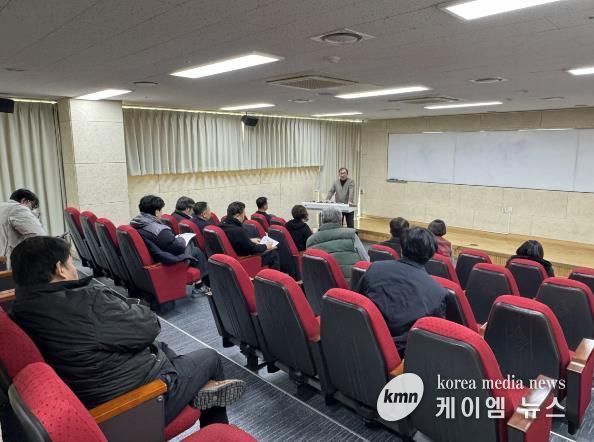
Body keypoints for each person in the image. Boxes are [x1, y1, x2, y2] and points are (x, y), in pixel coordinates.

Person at [10, 236, 245, 428]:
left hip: (94, 387)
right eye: (70, 262)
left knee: (162, 347)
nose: (73, 267)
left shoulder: (21, 308)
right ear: (60, 269)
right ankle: (215, 429)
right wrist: (132, 305)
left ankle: (200, 385)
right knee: (211, 358)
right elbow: (150, 326)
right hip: (136, 402)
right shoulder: (87, 302)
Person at [359, 227, 447, 357]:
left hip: (363, 339)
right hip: (400, 357)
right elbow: (432, 339)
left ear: (402, 247)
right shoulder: (438, 292)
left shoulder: (375, 268)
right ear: (431, 255)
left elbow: (357, 302)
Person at [130, 195, 209, 295]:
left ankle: (199, 283)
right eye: (161, 210)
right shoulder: (158, 230)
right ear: (156, 212)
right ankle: (202, 285)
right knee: (194, 249)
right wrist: (181, 238)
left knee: (193, 248)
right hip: (166, 262)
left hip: (154, 258)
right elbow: (178, 248)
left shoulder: (136, 223)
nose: (162, 213)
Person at [306, 207, 368, 282]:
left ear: (322, 219)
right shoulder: (351, 235)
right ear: (340, 219)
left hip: (324, 283)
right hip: (352, 283)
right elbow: (365, 259)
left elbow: (310, 268)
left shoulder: (310, 241)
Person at [219, 201, 280, 270]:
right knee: (273, 253)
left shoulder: (222, 224)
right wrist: (266, 246)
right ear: (238, 216)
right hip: (244, 260)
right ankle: (275, 276)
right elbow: (252, 249)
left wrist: (249, 240)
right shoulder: (238, 230)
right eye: (243, 214)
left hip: (231, 256)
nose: (244, 216)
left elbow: (233, 239)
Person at [0, 189, 45, 267]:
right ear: (24, 201)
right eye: (32, 207)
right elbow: (39, 237)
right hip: (12, 264)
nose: (31, 210)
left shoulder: (2, 207)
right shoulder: (18, 208)